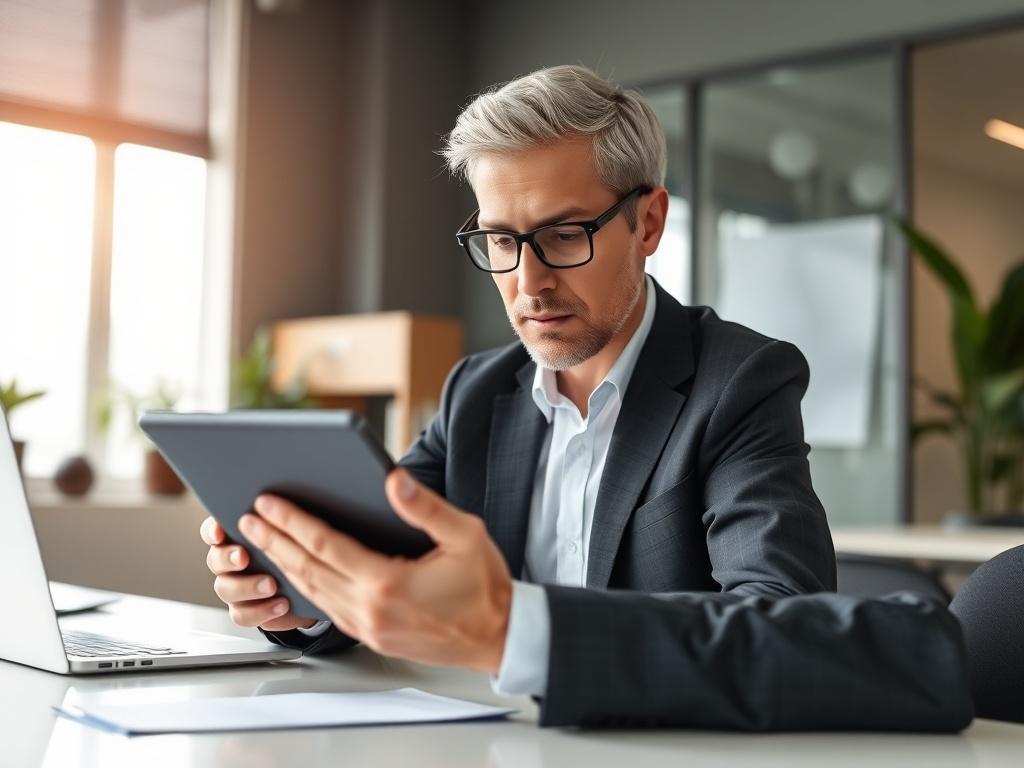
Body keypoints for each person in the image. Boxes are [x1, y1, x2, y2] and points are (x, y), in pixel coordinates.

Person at [199, 66, 971, 730]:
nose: (527, 281)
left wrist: (514, 632)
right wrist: (301, 597)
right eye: (501, 240)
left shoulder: (740, 382)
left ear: (649, 223)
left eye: (565, 234)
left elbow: (788, 626)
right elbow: (385, 570)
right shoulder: (476, 393)